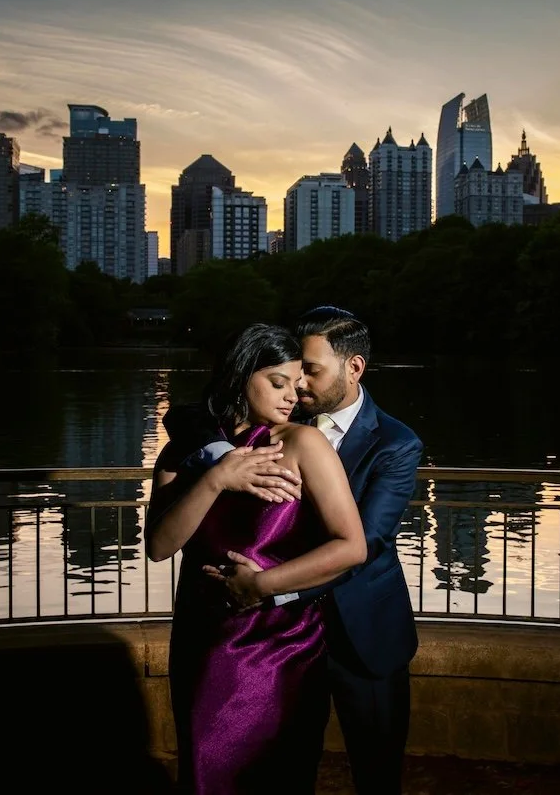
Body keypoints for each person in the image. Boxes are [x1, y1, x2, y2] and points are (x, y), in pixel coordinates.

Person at [167, 306, 424, 795]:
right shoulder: (282, 411)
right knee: (286, 765)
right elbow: (187, 416)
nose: (299, 384)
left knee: (377, 774)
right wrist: (222, 460)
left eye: (311, 370)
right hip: (278, 642)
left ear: (354, 367)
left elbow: (365, 543)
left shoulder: (396, 443)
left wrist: (266, 586)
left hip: (361, 633)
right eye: (292, 372)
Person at [145, 322, 368, 795]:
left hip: (281, 645)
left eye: (297, 383)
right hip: (204, 641)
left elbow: (352, 546)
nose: (293, 395)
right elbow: (159, 547)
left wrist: (262, 585)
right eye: (278, 382)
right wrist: (216, 478)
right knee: (206, 776)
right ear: (241, 374)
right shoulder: (186, 452)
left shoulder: (305, 444)